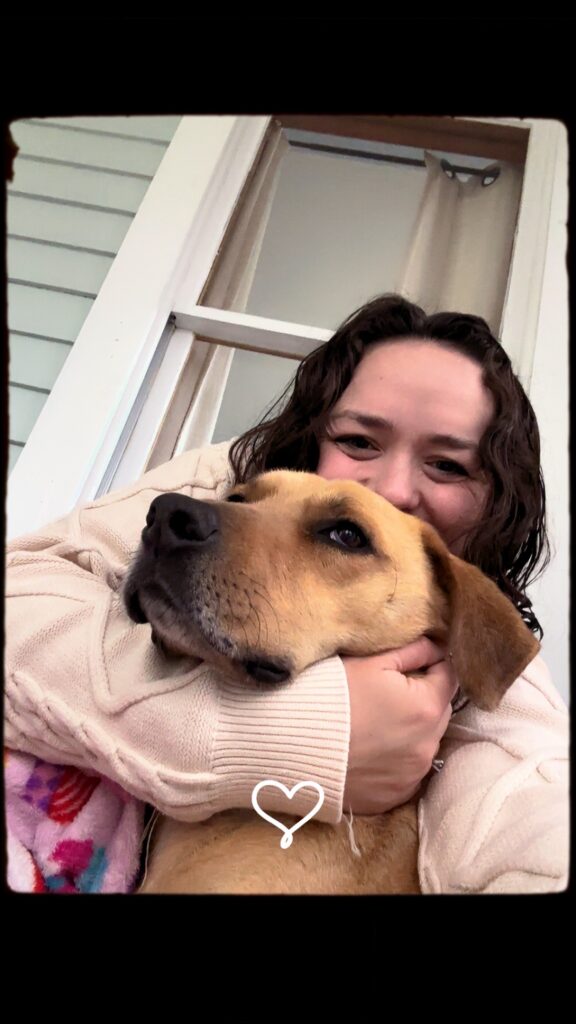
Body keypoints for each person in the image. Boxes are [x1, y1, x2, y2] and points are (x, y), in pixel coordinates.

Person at [5, 294, 569, 894]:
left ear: (498, 498)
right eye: (358, 440)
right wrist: (298, 733)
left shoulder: (472, 621)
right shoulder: (225, 479)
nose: (393, 487)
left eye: (449, 466)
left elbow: (529, 805)